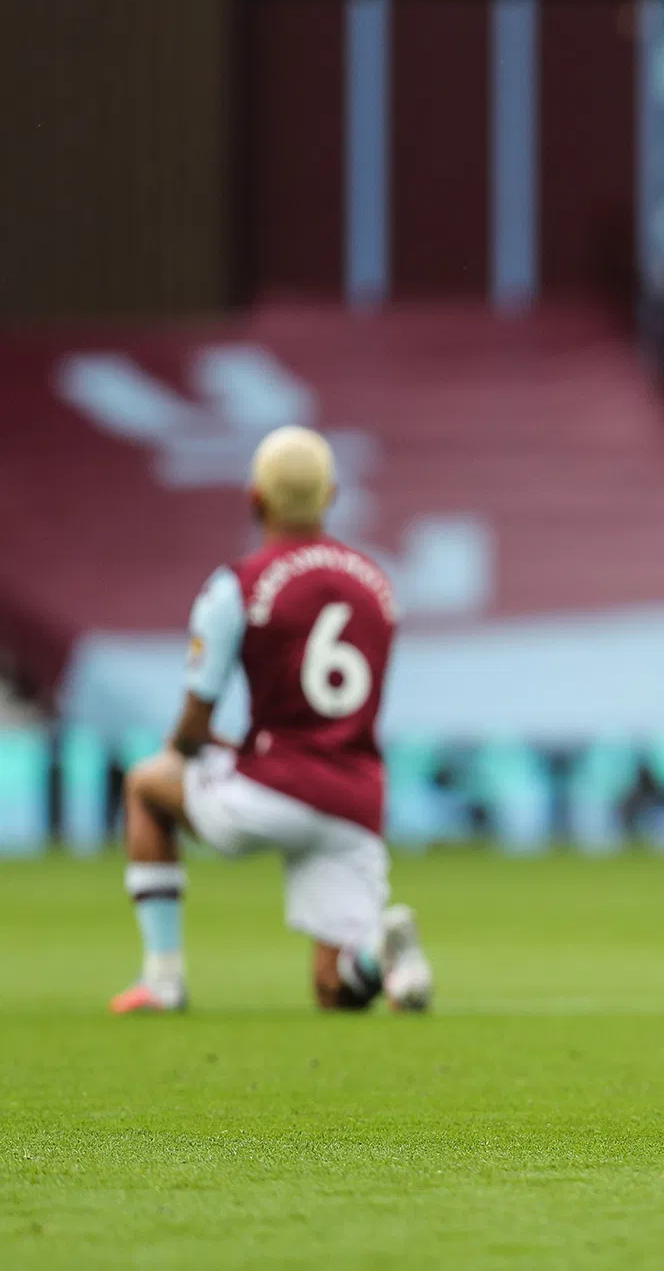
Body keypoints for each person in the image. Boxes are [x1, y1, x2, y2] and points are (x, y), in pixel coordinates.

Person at [111, 427, 432, 1014]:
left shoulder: (236, 587)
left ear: (254, 498)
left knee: (147, 785)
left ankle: (162, 980)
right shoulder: (378, 584)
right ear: (331, 494)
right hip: (354, 802)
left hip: (271, 791)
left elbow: (192, 723)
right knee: (335, 993)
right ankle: (374, 956)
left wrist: (198, 746)